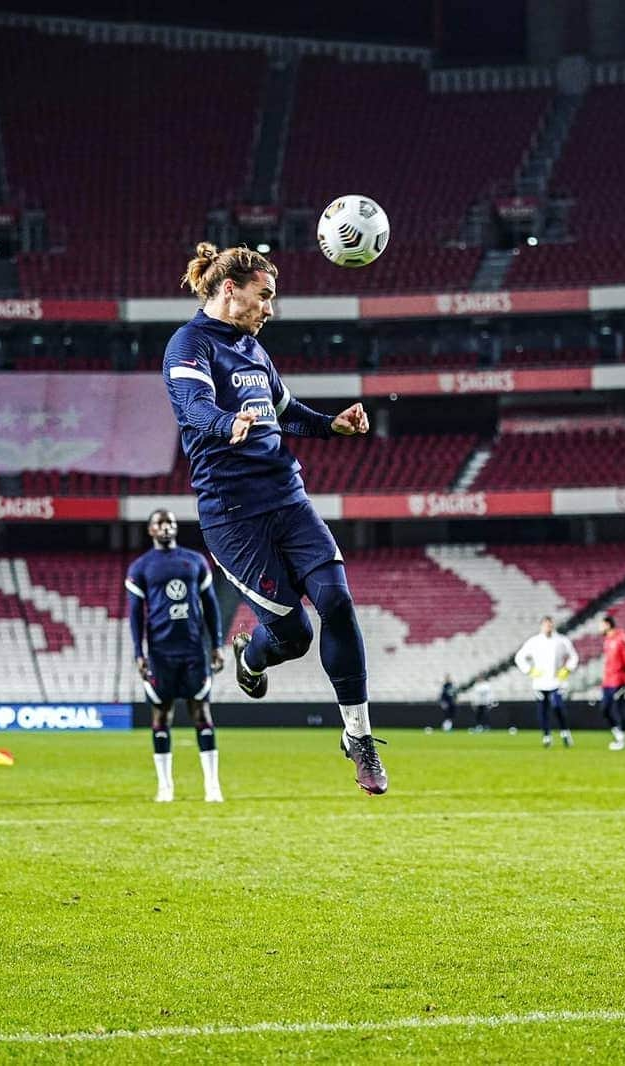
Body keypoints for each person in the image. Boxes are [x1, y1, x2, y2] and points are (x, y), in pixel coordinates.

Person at [164, 243, 387, 795]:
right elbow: (192, 406)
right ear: (229, 289)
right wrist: (224, 424)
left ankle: (357, 736)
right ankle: (251, 653)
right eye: (263, 296)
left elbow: (285, 412)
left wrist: (332, 425)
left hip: (288, 498)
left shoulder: (254, 351)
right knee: (295, 635)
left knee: (336, 599)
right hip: (234, 518)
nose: (269, 308)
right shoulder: (188, 345)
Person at [126, 508, 226, 803]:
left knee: (202, 713)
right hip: (160, 652)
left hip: (194, 649)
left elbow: (211, 606)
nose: (166, 527)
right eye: (160, 523)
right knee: (161, 715)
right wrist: (138, 652)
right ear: (151, 530)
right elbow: (135, 615)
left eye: (170, 522)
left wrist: (217, 645)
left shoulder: (195, 561)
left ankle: (212, 786)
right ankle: (165, 787)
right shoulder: (141, 567)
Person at [514, 616, 578, 748]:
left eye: (550, 625)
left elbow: (574, 656)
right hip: (540, 683)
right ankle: (546, 736)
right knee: (542, 710)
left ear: (553, 626)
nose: (548, 627)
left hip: (556, 681)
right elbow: (519, 657)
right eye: (546, 625)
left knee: (557, 706)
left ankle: (565, 733)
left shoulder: (561, 640)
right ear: (541, 626)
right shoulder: (534, 641)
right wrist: (529, 670)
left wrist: (567, 669)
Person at [599, 614, 625, 751]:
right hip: (607, 681)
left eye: (601, 625)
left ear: (608, 624)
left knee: (618, 709)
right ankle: (619, 735)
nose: (599, 628)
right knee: (604, 709)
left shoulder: (621, 639)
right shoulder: (607, 640)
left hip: (619, 680)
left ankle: (622, 739)